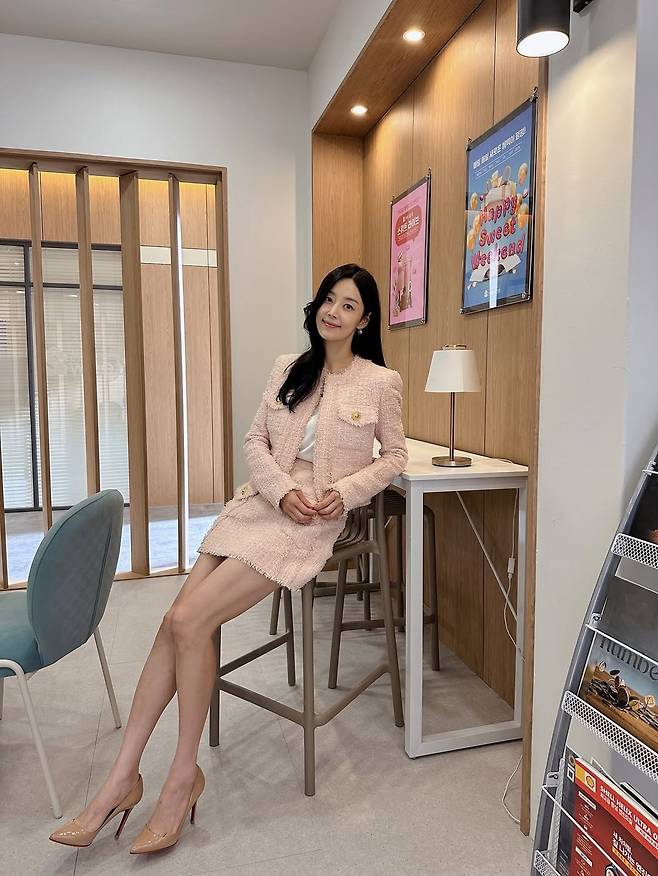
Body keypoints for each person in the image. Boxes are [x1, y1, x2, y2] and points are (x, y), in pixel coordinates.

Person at [49, 263, 408, 854]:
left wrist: (343, 493)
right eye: (329, 299)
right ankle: (123, 777)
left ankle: (180, 778)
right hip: (259, 505)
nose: (334, 311)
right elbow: (254, 442)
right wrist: (278, 489)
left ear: (365, 319)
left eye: (348, 305)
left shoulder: (380, 382)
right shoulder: (288, 369)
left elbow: (393, 457)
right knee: (173, 622)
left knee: (190, 621)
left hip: (308, 520)